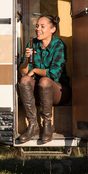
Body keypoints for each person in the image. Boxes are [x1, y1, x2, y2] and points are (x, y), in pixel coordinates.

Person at [17, 15, 71, 144]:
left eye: (42, 26)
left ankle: (47, 124)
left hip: (59, 92)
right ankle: (33, 124)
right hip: (39, 92)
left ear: (52, 29)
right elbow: (24, 72)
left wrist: (35, 70)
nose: (38, 29)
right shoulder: (32, 44)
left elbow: (54, 73)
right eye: (37, 26)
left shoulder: (58, 45)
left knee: (45, 80)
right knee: (24, 80)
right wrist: (26, 59)